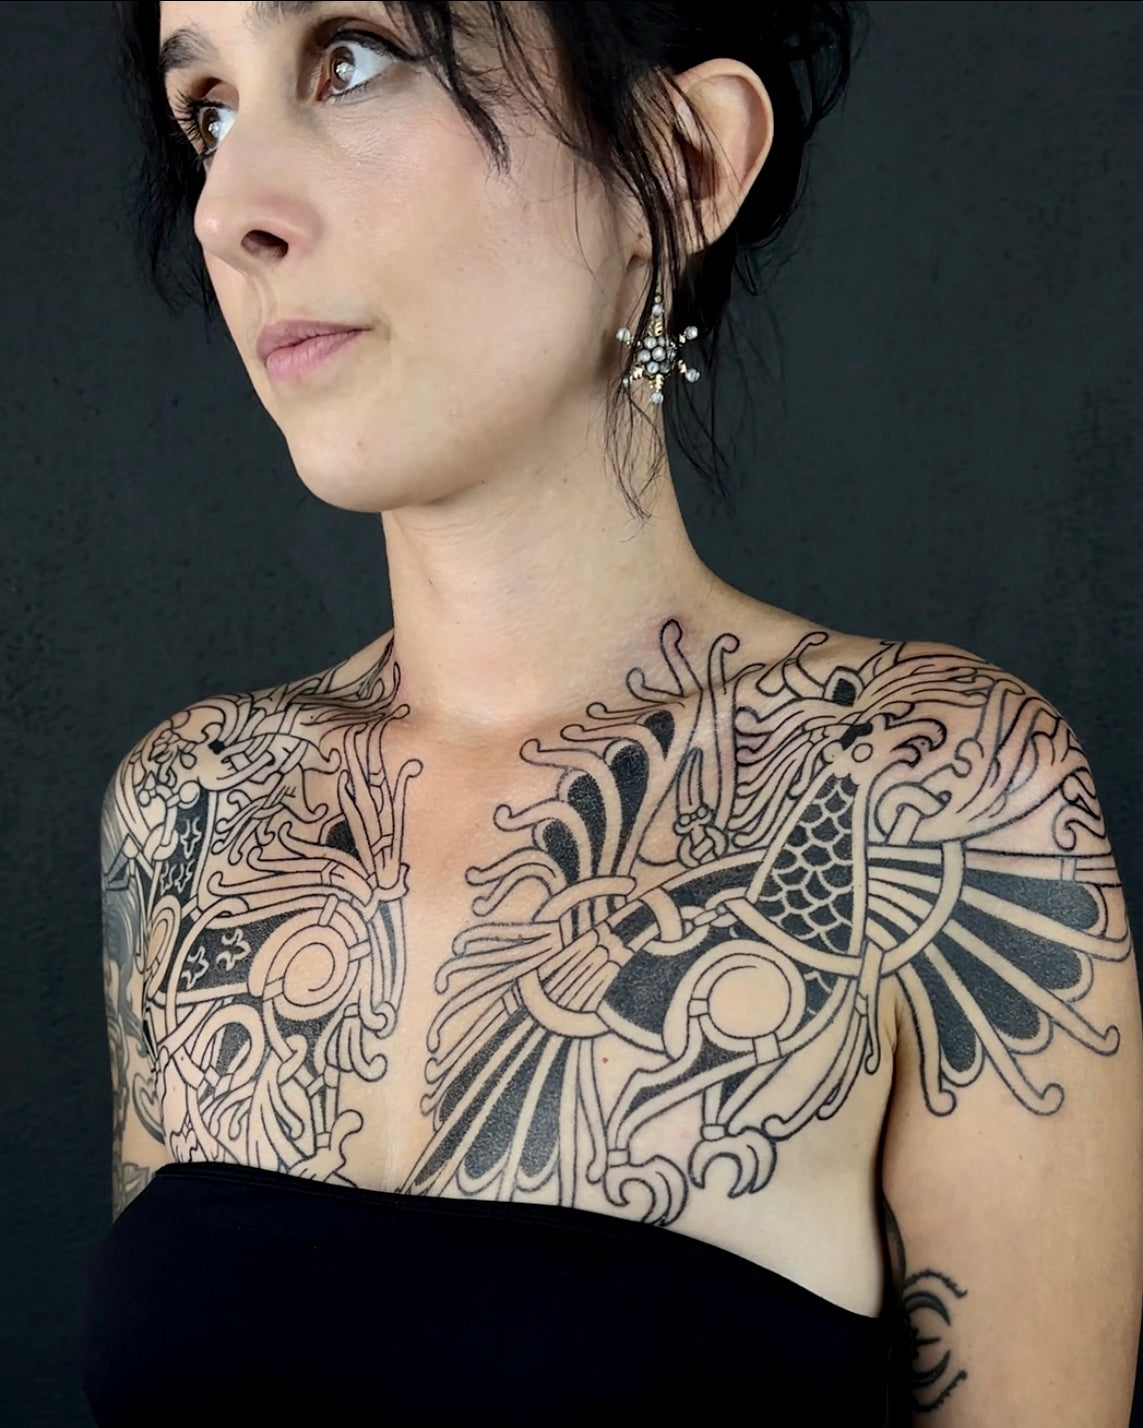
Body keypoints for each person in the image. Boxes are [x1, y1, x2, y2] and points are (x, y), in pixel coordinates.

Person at [80, 3, 1143, 1425]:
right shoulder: (188, 811)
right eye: (207, 110)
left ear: (683, 166)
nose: (228, 212)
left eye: (349, 58)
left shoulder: (935, 795)